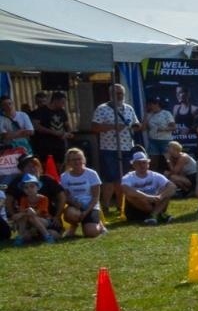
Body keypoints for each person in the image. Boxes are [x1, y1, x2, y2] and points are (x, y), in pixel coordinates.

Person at [91, 83, 140, 215]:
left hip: (126, 147)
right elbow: (94, 127)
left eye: (121, 94)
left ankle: (121, 206)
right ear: (110, 94)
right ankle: (105, 207)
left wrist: (137, 126)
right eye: (116, 93)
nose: (119, 96)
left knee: (123, 178)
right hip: (109, 148)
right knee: (109, 179)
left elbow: (136, 124)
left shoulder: (129, 108)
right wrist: (113, 127)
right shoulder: (102, 109)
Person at [56, 147, 104, 238]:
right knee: (69, 214)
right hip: (75, 206)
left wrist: (86, 211)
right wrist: (74, 203)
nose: (77, 162)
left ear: (83, 160)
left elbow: (95, 197)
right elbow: (66, 196)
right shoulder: (64, 176)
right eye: (73, 160)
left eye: (79, 159)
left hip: (91, 206)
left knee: (91, 233)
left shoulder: (92, 174)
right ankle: (74, 226)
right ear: (68, 162)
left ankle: (100, 226)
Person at [119, 150, 176, 225]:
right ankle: (158, 214)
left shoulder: (155, 175)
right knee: (131, 195)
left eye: (144, 162)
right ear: (134, 165)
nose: (142, 165)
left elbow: (172, 186)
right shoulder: (128, 177)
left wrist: (160, 196)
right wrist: (147, 197)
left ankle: (154, 215)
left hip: (155, 202)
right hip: (138, 207)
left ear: (148, 164)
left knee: (167, 191)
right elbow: (126, 190)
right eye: (139, 163)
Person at [9, 175, 56, 244]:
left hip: (44, 220)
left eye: (32, 186)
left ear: (37, 187)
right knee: (24, 217)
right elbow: (22, 212)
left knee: (31, 217)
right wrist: (19, 215)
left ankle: (47, 235)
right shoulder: (23, 199)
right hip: (29, 222)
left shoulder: (44, 198)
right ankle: (21, 236)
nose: (29, 189)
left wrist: (23, 213)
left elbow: (37, 212)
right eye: (26, 187)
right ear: (23, 190)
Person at [31, 90, 70, 168]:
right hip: (45, 146)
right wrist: (54, 132)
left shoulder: (62, 112)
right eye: (62, 102)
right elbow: (36, 126)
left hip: (60, 145)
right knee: (47, 167)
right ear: (55, 100)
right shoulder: (41, 111)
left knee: (60, 166)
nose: (63, 105)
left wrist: (68, 133)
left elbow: (67, 125)